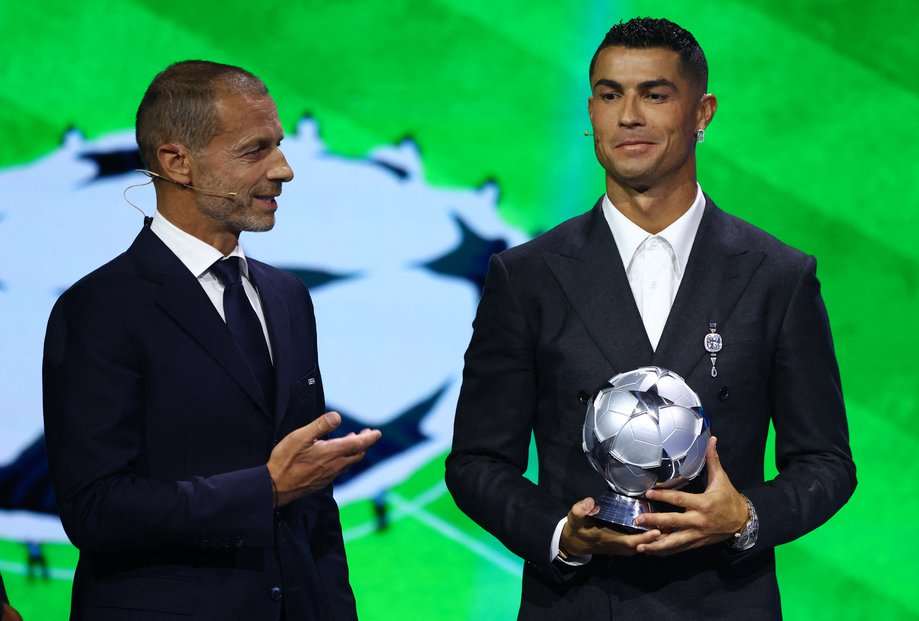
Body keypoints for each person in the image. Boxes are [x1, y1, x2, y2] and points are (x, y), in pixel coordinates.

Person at [445, 17, 856, 619]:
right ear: (590, 112)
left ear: (702, 112)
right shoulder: (526, 276)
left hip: (725, 603)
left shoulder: (777, 276)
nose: (629, 116)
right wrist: (563, 532)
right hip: (582, 603)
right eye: (611, 95)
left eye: (655, 94)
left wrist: (743, 516)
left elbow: (825, 462)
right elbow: (477, 461)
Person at [43, 61, 381, 620]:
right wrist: (265, 490)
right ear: (177, 162)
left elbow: (312, 504)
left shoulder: (288, 296)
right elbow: (94, 508)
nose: (285, 170)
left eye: (280, 145)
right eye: (255, 151)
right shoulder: (99, 308)